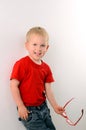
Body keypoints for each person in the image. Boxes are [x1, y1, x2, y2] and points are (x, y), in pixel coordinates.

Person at [10, 26, 65, 130]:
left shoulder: (46, 68)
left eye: (42, 45)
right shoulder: (21, 64)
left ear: (47, 48)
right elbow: (13, 86)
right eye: (34, 44)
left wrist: (55, 106)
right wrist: (20, 106)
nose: (38, 49)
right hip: (29, 111)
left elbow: (48, 90)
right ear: (27, 45)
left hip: (44, 108)